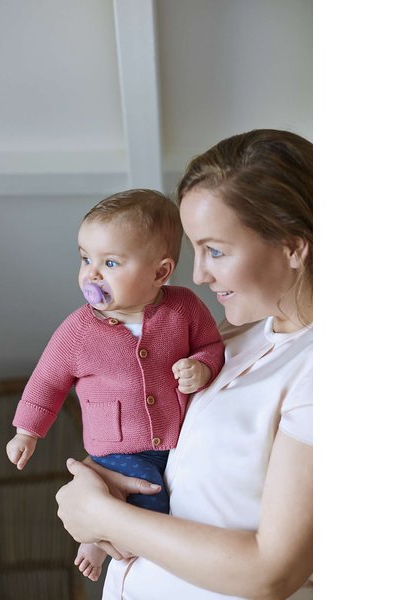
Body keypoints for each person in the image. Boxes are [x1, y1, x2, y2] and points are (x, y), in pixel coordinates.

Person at [55, 129, 313, 599]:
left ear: (293, 246)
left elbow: (272, 573)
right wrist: (106, 476)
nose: (197, 275)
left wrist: (102, 516)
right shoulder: (236, 334)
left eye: (216, 250)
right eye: (195, 249)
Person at [6, 189, 225, 582]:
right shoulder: (78, 330)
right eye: (85, 259)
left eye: (109, 263)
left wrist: (203, 368)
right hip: (116, 447)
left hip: (174, 441)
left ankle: (106, 535)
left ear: (160, 273)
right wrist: (27, 431)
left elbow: (211, 346)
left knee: (173, 494)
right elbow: (47, 381)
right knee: (148, 493)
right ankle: (108, 544)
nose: (92, 274)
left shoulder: (184, 308)